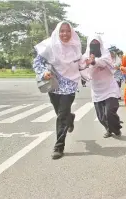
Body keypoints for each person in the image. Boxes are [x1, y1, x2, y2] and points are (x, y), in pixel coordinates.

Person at [33, 21, 82, 159]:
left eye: (67, 31)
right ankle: (70, 118)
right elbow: (37, 63)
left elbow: (81, 62)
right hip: (54, 84)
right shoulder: (49, 46)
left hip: (70, 85)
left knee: (61, 116)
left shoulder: (75, 46)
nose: (65, 34)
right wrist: (43, 73)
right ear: (57, 32)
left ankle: (59, 147)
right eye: (62, 31)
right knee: (60, 113)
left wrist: (89, 62)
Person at [79, 34, 122, 138]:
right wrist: (87, 64)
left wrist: (94, 61)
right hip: (97, 89)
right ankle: (108, 128)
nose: (94, 46)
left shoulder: (105, 53)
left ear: (100, 44)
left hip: (109, 88)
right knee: (101, 117)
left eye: (97, 44)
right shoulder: (85, 57)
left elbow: (105, 63)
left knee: (109, 112)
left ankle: (116, 128)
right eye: (92, 44)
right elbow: (82, 69)